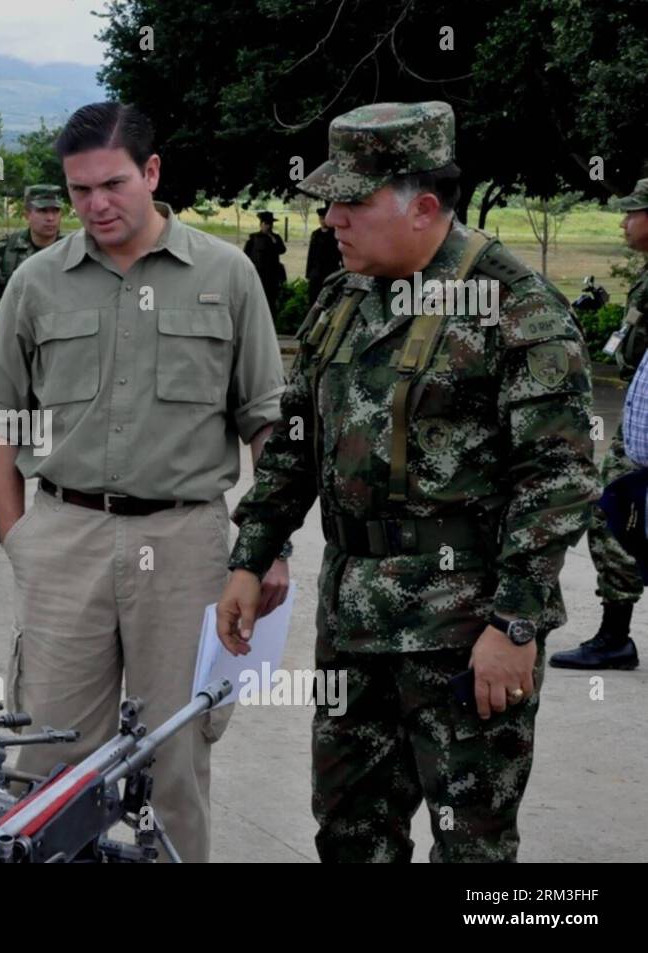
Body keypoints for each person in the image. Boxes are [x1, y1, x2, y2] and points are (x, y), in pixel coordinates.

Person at [218, 101, 599, 862]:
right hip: (354, 622)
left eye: (351, 201)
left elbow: (556, 480)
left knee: (471, 848)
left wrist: (515, 626)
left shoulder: (515, 309)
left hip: (464, 633)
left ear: (423, 206)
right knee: (351, 832)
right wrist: (250, 554)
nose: (330, 217)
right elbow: (297, 440)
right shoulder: (343, 300)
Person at [0, 102, 288, 862]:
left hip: (185, 541)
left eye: (112, 184)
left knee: (173, 758)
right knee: (48, 756)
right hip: (65, 534)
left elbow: (266, 421)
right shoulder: (37, 281)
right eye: (78, 191)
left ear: (152, 173)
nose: (95, 205)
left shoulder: (226, 274)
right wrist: (21, 537)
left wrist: (266, 543)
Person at [552, 175, 648, 670]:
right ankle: (615, 637)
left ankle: (615, 639)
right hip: (637, 429)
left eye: (633, 211)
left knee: (613, 521)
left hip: (643, 439)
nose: (624, 221)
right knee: (614, 520)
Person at [0, 184, 64, 545]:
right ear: (27, 213)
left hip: (61, 363)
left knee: (60, 436)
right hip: (13, 360)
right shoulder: (4, 252)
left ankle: (56, 516)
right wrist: (13, 316)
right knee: (4, 432)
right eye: (42, 211)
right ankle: (6, 516)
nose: (50, 217)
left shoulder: (78, 252)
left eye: (55, 210)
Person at [243, 210, 287, 318]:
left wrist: (272, 239)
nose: (268, 226)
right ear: (261, 224)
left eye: (270, 224)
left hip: (272, 275)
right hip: (258, 274)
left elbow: (282, 250)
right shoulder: (253, 238)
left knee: (271, 300)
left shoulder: (276, 238)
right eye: (266, 224)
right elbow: (246, 255)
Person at [305, 205, 343, 306]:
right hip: (316, 272)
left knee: (330, 298)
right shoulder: (315, 234)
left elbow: (340, 252)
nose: (322, 221)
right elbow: (311, 254)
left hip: (330, 270)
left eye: (324, 218)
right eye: (321, 218)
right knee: (313, 298)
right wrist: (309, 272)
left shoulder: (335, 234)